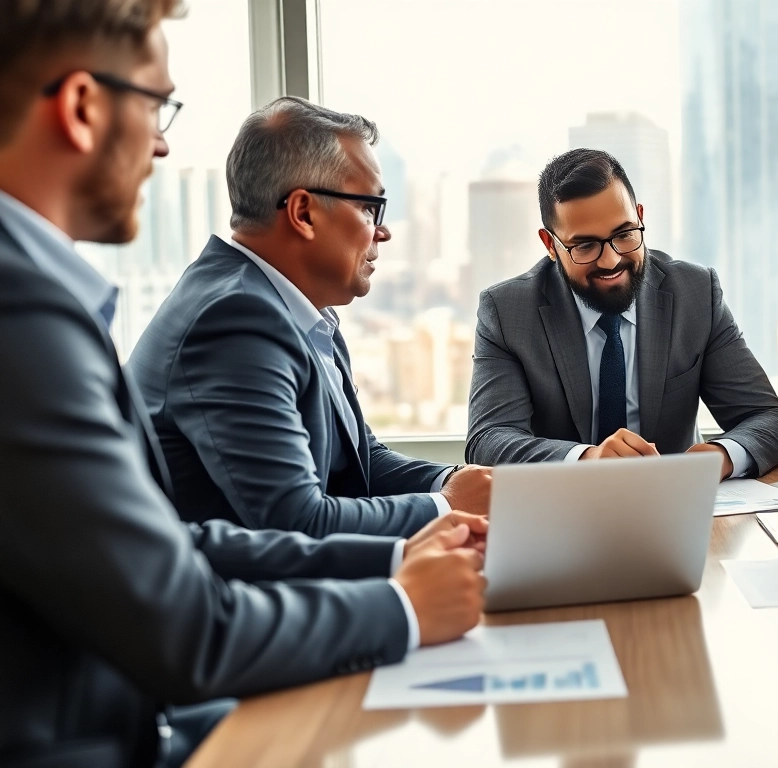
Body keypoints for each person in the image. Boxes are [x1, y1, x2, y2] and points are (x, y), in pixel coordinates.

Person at [0, 3, 484, 765]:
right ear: (84, 107)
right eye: (156, 104)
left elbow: (180, 546)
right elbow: (190, 619)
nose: (163, 143)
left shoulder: (47, 296)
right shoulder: (27, 314)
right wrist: (401, 606)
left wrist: (412, 547)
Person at [128, 97, 491, 538]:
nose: (383, 231)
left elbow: (359, 459)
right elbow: (296, 521)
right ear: (303, 213)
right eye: (369, 207)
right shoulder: (234, 320)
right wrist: (446, 506)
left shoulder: (300, 310)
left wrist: (453, 483)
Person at [466, 148, 778, 479]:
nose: (611, 260)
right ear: (550, 245)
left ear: (639, 216)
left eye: (624, 235)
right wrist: (587, 459)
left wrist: (719, 456)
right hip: (564, 502)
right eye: (585, 246)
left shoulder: (695, 293)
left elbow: (768, 418)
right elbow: (488, 440)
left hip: (673, 498)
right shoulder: (507, 311)